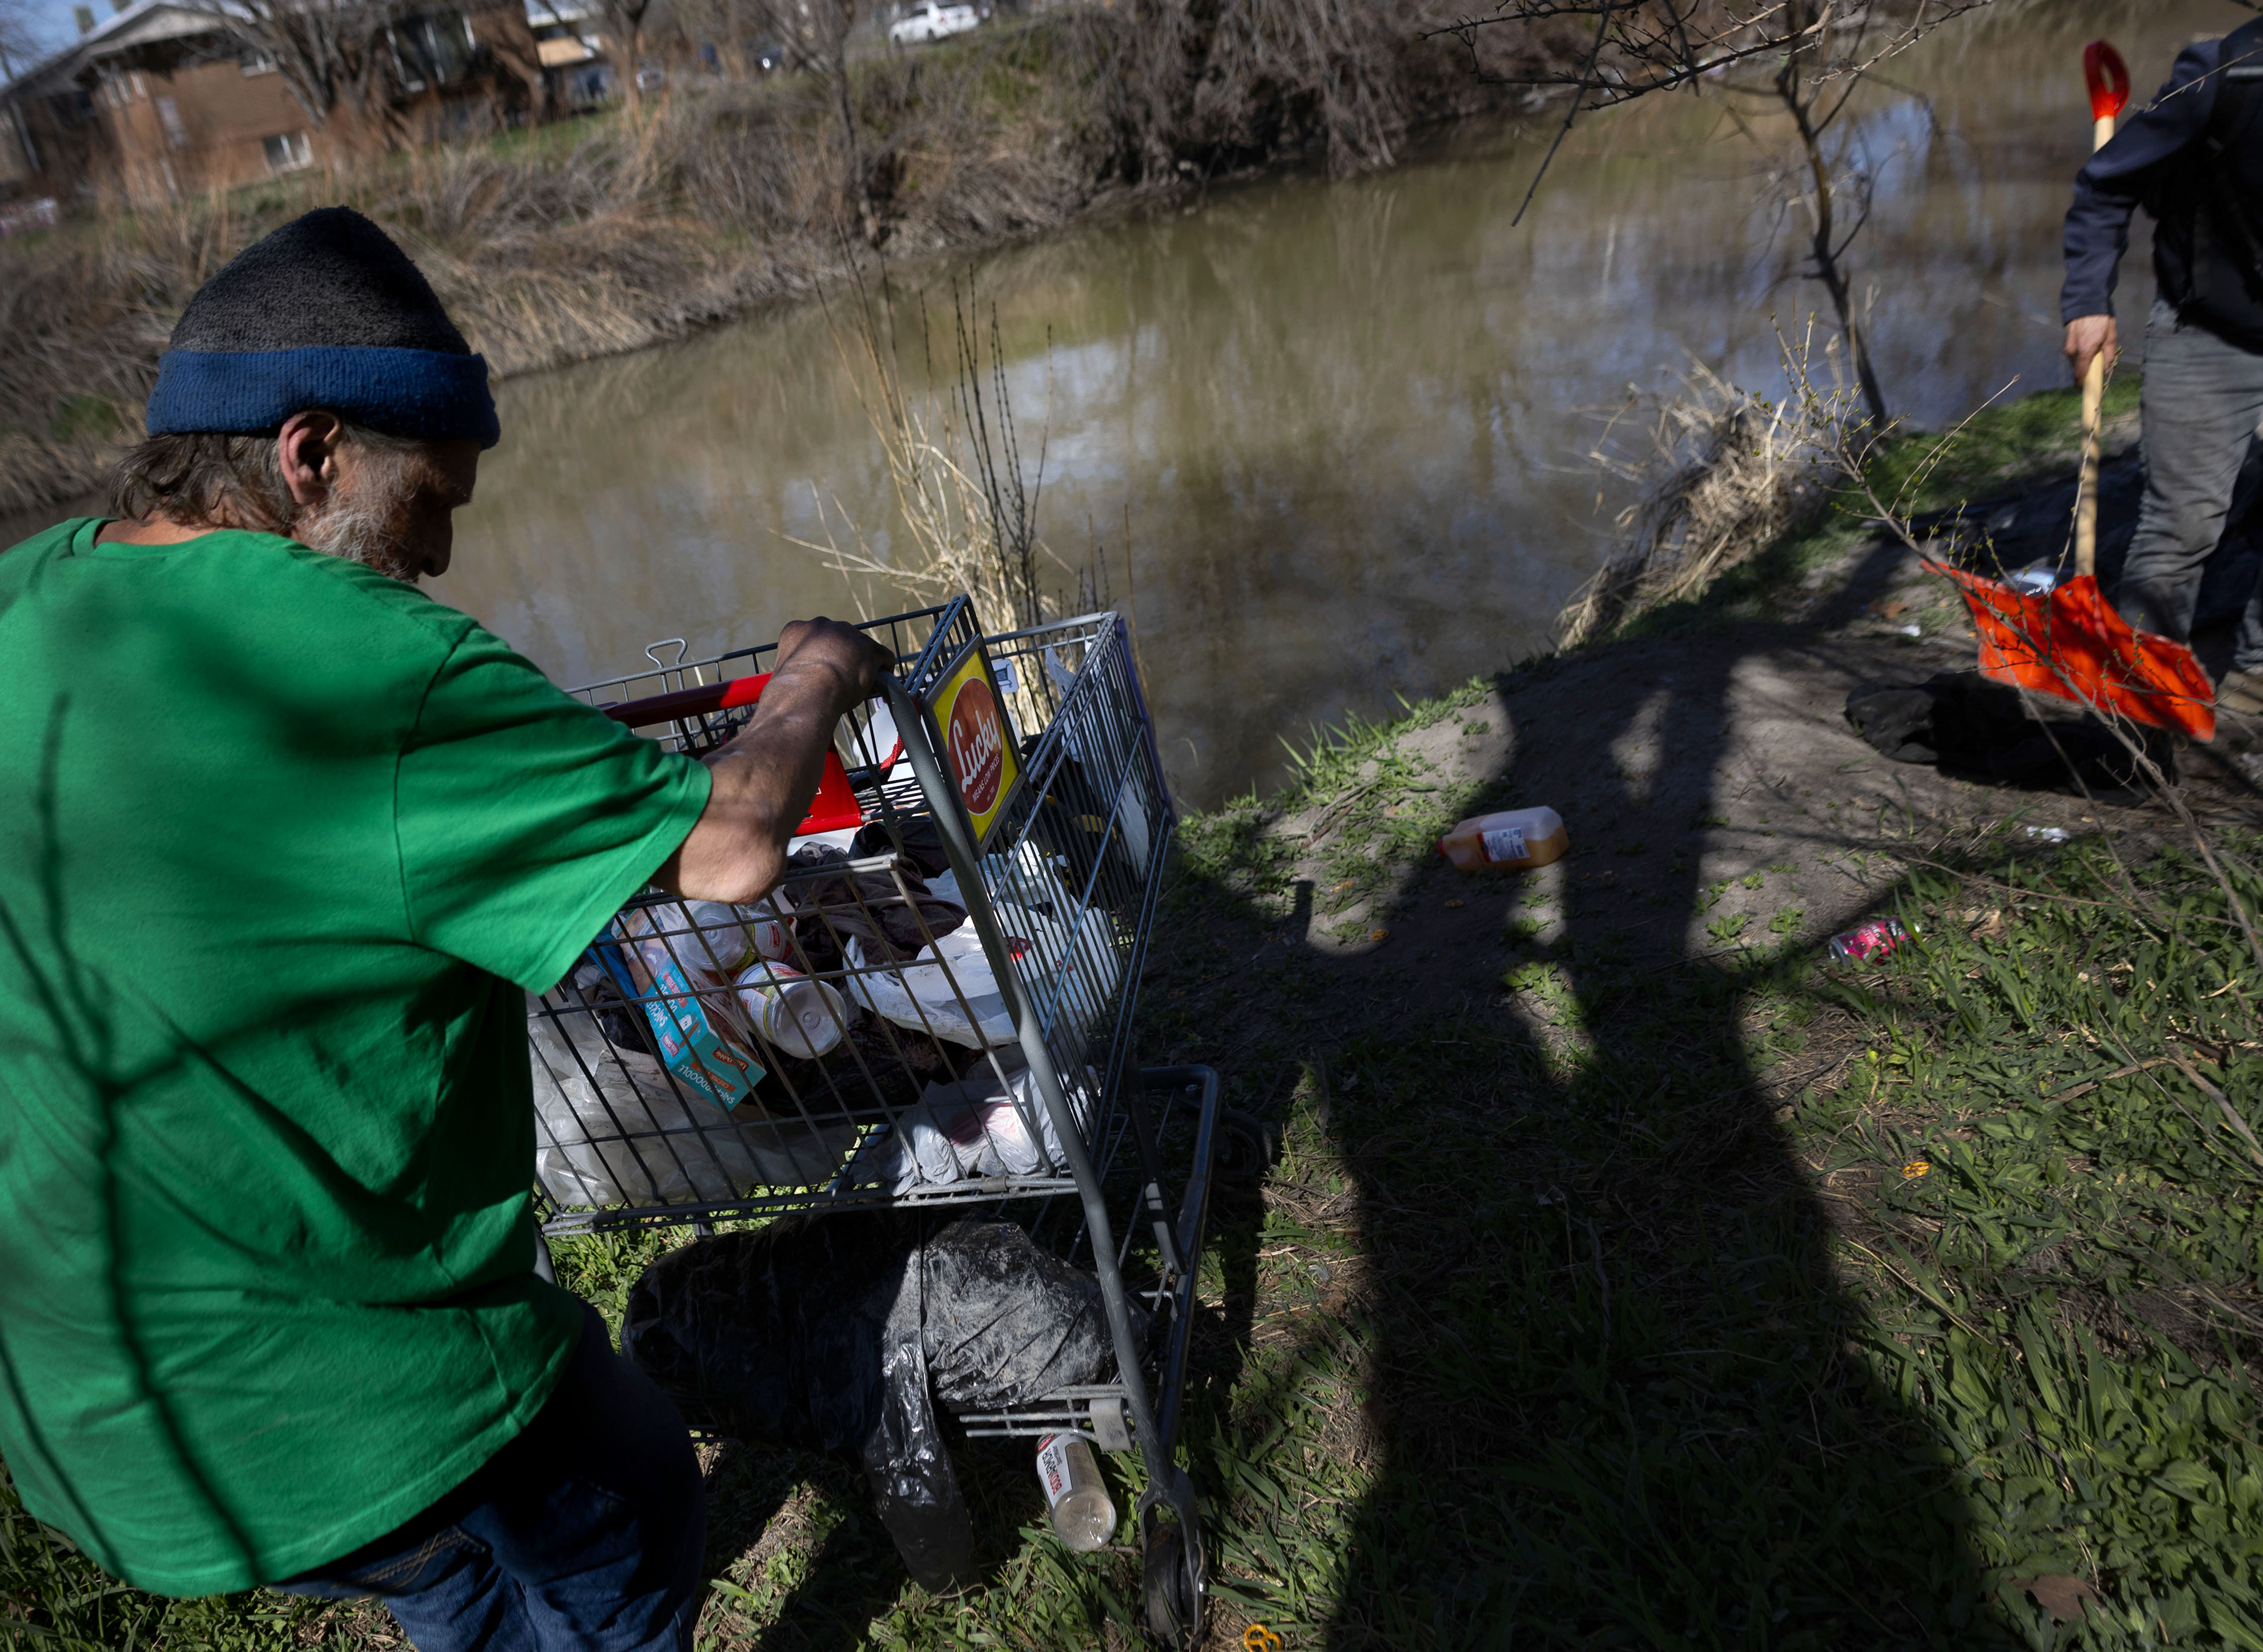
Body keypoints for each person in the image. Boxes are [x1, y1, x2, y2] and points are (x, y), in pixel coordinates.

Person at [0, 208, 892, 1650]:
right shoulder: (370, 657)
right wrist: (813, 676)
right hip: (335, 1400)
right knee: (637, 1494)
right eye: (432, 498)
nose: (443, 550)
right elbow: (730, 850)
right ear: (311, 456)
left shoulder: (28, 600)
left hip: (91, 1417)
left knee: (452, 1576)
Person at [2063, 18, 2263, 714]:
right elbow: (2105, 184)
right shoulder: (2222, 78)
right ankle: (2142, 708)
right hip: (2206, 324)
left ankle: (2255, 689)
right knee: (2183, 524)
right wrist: (2089, 300)